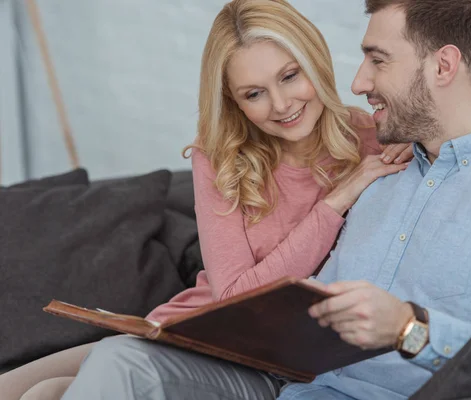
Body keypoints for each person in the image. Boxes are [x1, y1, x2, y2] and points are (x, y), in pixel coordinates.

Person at [59, 0, 471, 399]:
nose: (358, 82)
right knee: (114, 365)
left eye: (377, 60)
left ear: (443, 66)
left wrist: (411, 328)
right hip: (290, 384)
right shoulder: (385, 169)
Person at [0, 1, 413, 399]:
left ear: (316, 61)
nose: (282, 105)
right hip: (193, 330)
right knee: (23, 389)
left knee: (72, 382)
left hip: (259, 357)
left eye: (290, 76)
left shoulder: (375, 143)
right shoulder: (219, 156)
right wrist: (335, 201)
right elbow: (233, 295)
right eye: (254, 94)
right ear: (234, 100)